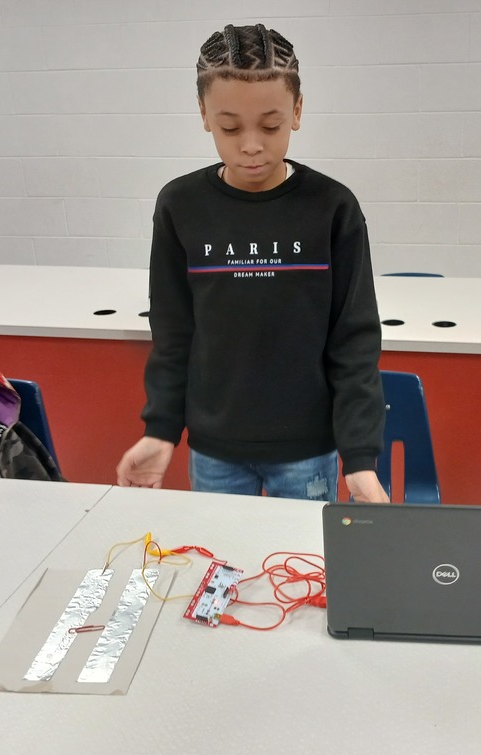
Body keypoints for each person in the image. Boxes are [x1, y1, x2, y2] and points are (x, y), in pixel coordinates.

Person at [116, 24, 389, 503]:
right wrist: (161, 429)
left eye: (270, 126)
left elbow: (355, 340)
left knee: (303, 569)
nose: (250, 145)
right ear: (203, 114)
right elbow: (174, 332)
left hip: (307, 448)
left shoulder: (332, 207)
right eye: (229, 127)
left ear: (297, 111)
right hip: (215, 449)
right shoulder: (180, 204)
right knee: (221, 569)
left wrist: (360, 459)